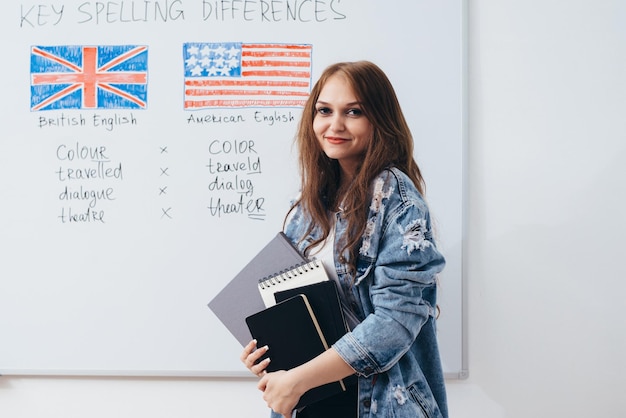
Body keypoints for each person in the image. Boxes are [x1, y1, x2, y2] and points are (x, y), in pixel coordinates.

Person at [241, 60, 448, 418]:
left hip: (376, 403)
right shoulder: (307, 207)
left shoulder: (399, 203)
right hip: (312, 400)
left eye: (353, 111)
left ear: (379, 121)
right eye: (324, 110)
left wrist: (298, 380)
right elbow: (301, 308)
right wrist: (270, 352)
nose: (334, 124)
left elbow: (394, 323)